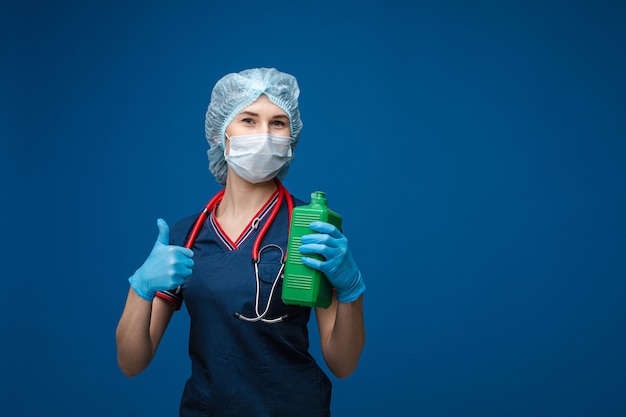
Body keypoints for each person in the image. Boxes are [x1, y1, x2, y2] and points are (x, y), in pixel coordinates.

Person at [115, 67, 366, 416]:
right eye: (249, 120)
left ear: (291, 137)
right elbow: (132, 362)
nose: (265, 134)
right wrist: (139, 288)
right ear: (221, 133)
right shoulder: (185, 237)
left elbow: (343, 363)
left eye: (278, 123)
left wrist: (351, 292)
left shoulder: (309, 228)